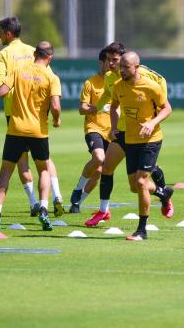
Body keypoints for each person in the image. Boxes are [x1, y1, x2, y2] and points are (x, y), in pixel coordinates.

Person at [77, 42, 173, 228]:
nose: (112, 65)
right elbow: (109, 98)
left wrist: (152, 119)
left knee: (137, 183)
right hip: (122, 131)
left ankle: (148, 216)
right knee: (107, 168)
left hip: (145, 134)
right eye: (109, 61)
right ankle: (104, 211)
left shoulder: (144, 76)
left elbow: (162, 89)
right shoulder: (113, 78)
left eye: (116, 61)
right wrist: (104, 118)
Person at [0, 17, 65, 217]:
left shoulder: (4, 55)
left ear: (8, 33)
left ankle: (31, 203)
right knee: (44, 162)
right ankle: (55, 197)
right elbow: (51, 88)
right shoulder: (36, 54)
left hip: (15, 117)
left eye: (0, 31)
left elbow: (1, 88)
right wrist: (56, 119)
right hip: (39, 122)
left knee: (17, 164)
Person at [110, 52, 172, 241]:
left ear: (137, 66)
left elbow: (167, 108)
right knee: (133, 186)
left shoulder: (151, 86)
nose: (121, 70)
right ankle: (163, 193)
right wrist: (113, 127)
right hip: (131, 140)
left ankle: (142, 231)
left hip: (151, 139)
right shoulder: (118, 86)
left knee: (141, 182)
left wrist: (152, 123)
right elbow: (114, 106)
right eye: (121, 67)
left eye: (126, 67)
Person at [69, 49, 110, 210]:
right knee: (99, 158)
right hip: (94, 128)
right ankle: (78, 188)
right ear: (101, 63)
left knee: (99, 171)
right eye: (109, 61)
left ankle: (77, 202)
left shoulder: (118, 83)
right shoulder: (91, 83)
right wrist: (100, 107)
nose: (112, 64)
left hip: (112, 132)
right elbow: (82, 109)